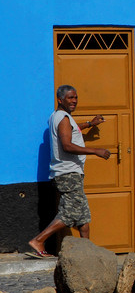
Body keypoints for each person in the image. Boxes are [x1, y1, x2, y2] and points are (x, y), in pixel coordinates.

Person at [27, 85, 111, 258]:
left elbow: (69, 131)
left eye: (76, 97)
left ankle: (87, 253)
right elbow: (67, 145)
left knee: (83, 217)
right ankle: (38, 240)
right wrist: (96, 150)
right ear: (60, 99)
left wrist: (89, 124)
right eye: (70, 98)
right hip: (67, 174)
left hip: (71, 173)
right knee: (70, 213)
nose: (74, 101)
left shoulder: (57, 117)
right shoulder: (63, 117)